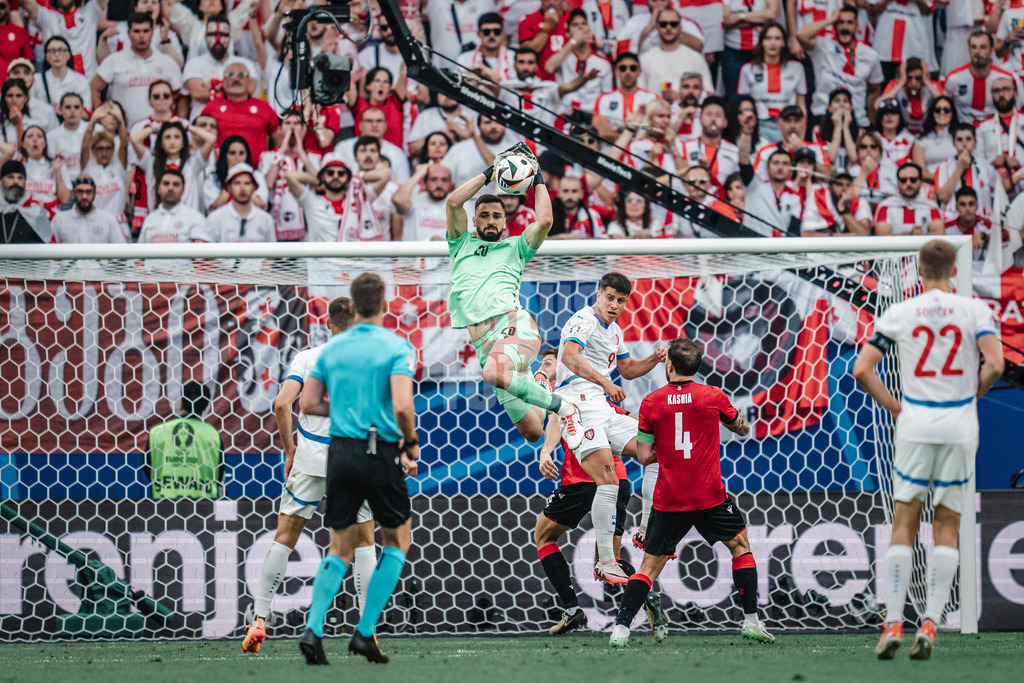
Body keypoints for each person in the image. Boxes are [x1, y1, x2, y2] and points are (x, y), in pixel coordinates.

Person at [852, 239, 1003, 660]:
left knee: (905, 523)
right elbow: (996, 363)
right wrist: (970, 395)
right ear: (954, 271)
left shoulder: (900, 312)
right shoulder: (975, 310)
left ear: (918, 272)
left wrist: (895, 407)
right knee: (947, 525)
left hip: (916, 422)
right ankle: (932, 620)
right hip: (958, 424)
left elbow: (861, 369)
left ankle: (896, 620)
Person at [608, 337, 774, 647]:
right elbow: (742, 427)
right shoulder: (713, 396)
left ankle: (621, 629)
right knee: (740, 546)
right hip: (709, 495)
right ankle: (751, 621)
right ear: (696, 367)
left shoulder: (651, 403)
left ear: (669, 365)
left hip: (670, 498)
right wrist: (736, 425)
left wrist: (668, 448)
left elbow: (644, 457)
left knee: (648, 568)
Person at [296, 273, 419, 666]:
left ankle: (313, 629)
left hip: (341, 453)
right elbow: (402, 405)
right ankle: (365, 632)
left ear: (351, 304)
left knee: (339, 547)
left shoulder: (332, 349)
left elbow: (309, 405)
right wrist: (410, 443)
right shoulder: (397, 346)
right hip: (379, 451)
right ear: (384, 305)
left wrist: (349, 411)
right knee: (398, 540)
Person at [242, 297, 377, 654]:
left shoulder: (308, 358)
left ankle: (259, 618)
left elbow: (282, 404)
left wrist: (290, 450)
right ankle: (367, 626)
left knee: (285, 536)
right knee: (364, 541)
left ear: (328, 324)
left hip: (311, 458)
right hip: (352, 457)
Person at [444, 142, 585, 449]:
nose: (491, 220)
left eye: (497, 215)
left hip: (512, 326)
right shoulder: (460, 244)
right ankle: (541, 382)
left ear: (505, 221)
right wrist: (491, 173)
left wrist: (536, 178)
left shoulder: (516, 247)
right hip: (485, 344)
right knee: (533, 431)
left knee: (493, 371)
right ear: (475, 220)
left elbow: (545, 221)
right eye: (484, 215)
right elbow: (454, 202)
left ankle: (564, 407)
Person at [534, 356, 669, 639]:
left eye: (551, 361)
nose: (548, 365)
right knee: (610, 563)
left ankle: (572, 609)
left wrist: (546, 452)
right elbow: (633, 423)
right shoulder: (598, 399)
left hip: (583, 479)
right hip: (618, 482)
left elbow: (555, 421)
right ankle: (647, 598)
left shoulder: (562, 395)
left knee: (544, 537)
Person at [551, 272, 666, 585]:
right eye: (610, 298)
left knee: (655, 451)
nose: (615, 305)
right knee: (608, 480)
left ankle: (645, 528)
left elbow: (627, 370)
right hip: (575, 402)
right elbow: (570, 357)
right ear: (598, 294)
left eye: (621, 300)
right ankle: (605, 561)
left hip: (599, 405)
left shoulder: (614, 332)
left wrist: (654, 360)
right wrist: (604, 380)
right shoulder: (582, 320)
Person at [91, 13, 183, 127]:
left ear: (152, 32)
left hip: (160, 134)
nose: (141, 36)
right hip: (123, 133)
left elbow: (182, 96)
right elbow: (95, 86)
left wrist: (179, 123)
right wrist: (102, 119)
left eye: (145, 31)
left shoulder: (167, 62)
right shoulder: (114, 60)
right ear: (129, 34)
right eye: (136, 31)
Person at [797, 5, 882, 128]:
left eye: (849, 23)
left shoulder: (870, 55)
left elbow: (875, 89)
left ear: (856, 26)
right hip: (823, 116)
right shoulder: (823, 46)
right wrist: (830, 20)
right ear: (835, 26)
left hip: (856, 119)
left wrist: (869, 117)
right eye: (840, 22)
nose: (845, 27)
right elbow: (801, 35)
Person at [143, 381, 223, 500]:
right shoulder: (213, 435)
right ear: (205, 407)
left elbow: (149, 472)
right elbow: (219, 475)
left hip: (163, 510)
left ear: (181, 404)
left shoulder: (158, 432)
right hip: (204, 511)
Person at [285, 152, 387, 242]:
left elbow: (385, 175)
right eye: (330, 173)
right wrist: (319, 179)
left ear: (347, 177)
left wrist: (355, 177)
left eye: (341, 173)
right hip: (321, 263)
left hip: (352, 262)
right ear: (323, 176)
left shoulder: (359, 198)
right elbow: (290, 176)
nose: (335, 176)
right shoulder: (312, 202)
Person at [737, 22, 807, 144]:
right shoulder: (748, 70)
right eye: (768, 38)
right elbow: (743, 105)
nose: (773, 43)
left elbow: (801, 105)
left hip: (788, 125)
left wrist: (801, 137)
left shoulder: (796, 68)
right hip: (759, 125)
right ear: (762, 42)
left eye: (777, 38)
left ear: (784, 43)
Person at [201, 57, 278, 159]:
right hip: (219, 170)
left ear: (249, 82)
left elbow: (278, 141)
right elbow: (200, 139)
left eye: (241, 75)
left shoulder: (264, 107)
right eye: (230, 75)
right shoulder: (211, 107)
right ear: (223, 82)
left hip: (256, 171)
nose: (236, 79)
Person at [943, 31, 1021, 125]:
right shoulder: (954, 78)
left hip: (995, 132)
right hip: (963, 133)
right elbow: (943, 104)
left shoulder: (1005, 78)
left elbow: (1015, 108)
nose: (977, 52)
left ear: (992, 50)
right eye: (973, 47)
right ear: (968, 49)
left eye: (982, 47)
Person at [20, 0, 106, 81]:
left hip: (89, 86)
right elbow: (26, 3)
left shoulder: (90, 12)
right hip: (57, 87)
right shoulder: (47, 17)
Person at [638, 7, 714, 94]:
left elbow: (709, 92)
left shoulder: (695, 58)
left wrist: (681, 97)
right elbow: (638, 94)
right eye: (663, 24)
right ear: (657, 27)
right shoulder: (645, 59)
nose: (668, 28)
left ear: (680, 28)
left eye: (673, 24)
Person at [934, 123, 999, 221]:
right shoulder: (943, 167)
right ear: (954, 143)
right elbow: (943, 196)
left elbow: (999, 193)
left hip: (982, 223)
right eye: (959, 139)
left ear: (975, 142)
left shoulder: (987, 167)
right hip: (953, 223)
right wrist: (960, 168)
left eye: (968, 139)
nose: (964, 143)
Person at [592, 52, 659, 143]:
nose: (628, 72)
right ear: (616, 72)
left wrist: (615, 130)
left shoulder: (652, 98)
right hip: (610, 153)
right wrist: (635, 139)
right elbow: (602, 131)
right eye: (623, 68)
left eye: (633, 68)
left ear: (639, 71)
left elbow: (656, 130)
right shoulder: (604, 99)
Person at [721, 0, 780, 98]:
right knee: (734, 95)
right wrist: (759, 18)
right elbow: (726, 21)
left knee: (763, 92)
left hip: (760, 50)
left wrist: (739, 17)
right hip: (734, 50)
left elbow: (771, 14)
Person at [204, 163, 275, 242]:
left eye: (247, 183)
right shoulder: (215, 219)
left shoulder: (266, 220)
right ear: (229, 188)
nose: (242, 188)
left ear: (254, 187)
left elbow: (273, 252)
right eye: (237, 183)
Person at [137, 169, 210, 243]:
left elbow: (201, 251)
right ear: (158, 189)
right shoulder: (150, 219)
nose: (170, 188)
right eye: (166, 183)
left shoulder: (195, 218)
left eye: (176, 184)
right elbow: (140, 251)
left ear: (183, 190)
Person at [743, 148, 802, 237]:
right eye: (776, 163)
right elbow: (743, 160)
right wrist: (747, 134)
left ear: (791, 171)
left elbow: (794, 231)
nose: (780, 167)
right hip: (751, 246)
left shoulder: (795, 198)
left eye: (785, 164)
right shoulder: (754, 185)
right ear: (767, 168)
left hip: (779, 248)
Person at [874, 162, 944, 236]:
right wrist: (909, 234)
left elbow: (939, 236)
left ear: (921, 182)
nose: (908, 183)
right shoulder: (885, 207)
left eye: (913, 180)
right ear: (897, 183)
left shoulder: (931, 207)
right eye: (903, 180)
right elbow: (882, 238)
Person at [51, 175, 127, 243]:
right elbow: (49, 251)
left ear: (94, 193)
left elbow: (122, 252)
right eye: (80, 191)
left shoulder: (108, 220)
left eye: (88, 192)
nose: (84, 196)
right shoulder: (59, 219)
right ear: (73, 194)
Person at [800, 168, 871, 236]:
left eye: (848, 185)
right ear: (829, 187)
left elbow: (864, 235)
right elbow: (806, 234)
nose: (844, 189)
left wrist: (845, 212)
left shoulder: (860, 203)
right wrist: (843, 236)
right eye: (839, 184)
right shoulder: (818, 198)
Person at [879, 57, 940, 135]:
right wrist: (902, 81)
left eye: (918, 78)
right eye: (909, 78)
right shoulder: (895, 85)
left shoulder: (932, 86)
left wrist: (926, 80)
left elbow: (946, 104)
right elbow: (879, 105)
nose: (913, 83)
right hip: (901, 134)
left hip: (928, 134)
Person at [392, 163, 453, 241]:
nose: (439, 184)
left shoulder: (460, 204)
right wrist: (419, 174)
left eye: (444, 180)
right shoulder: (415, 201)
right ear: (425, 183)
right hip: (415, 252)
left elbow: (471, 236)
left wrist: (445, 245)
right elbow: (398, 200)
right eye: (433, 179)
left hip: (447, 252)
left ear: (450, 183)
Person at [0, 159, 50, 244]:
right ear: (1, 181)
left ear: (25, 182)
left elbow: (43, 248)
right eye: (10, 177)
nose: (16, 182)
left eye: (20, 178)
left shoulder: (36, 212)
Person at [911, 96, 959, 183]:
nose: (942, 112)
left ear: (952, 113)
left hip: (957, 184)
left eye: (946, 110)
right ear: (932, 113)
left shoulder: (960, 137)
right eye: (937, 109)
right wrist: (944, 181)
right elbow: (921, 172)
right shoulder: (921, 140)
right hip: (930, 186)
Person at [549, 174, 606, 239]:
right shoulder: (548, 216)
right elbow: (539, 242)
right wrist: (562, 237)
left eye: (574, 191)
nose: (569, 196)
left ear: (581, 194)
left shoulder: (592, 215)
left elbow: (603, 241)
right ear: (558, 193)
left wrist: (579, 240)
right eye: (565, 191)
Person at [945, 187, 992, 259]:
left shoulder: (987, 224)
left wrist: (983, 236)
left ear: (977, 206)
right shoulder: (946, 228)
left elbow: (999, 240)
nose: (967, 208)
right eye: (963, 204)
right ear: (956, 207)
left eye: (971, 204)